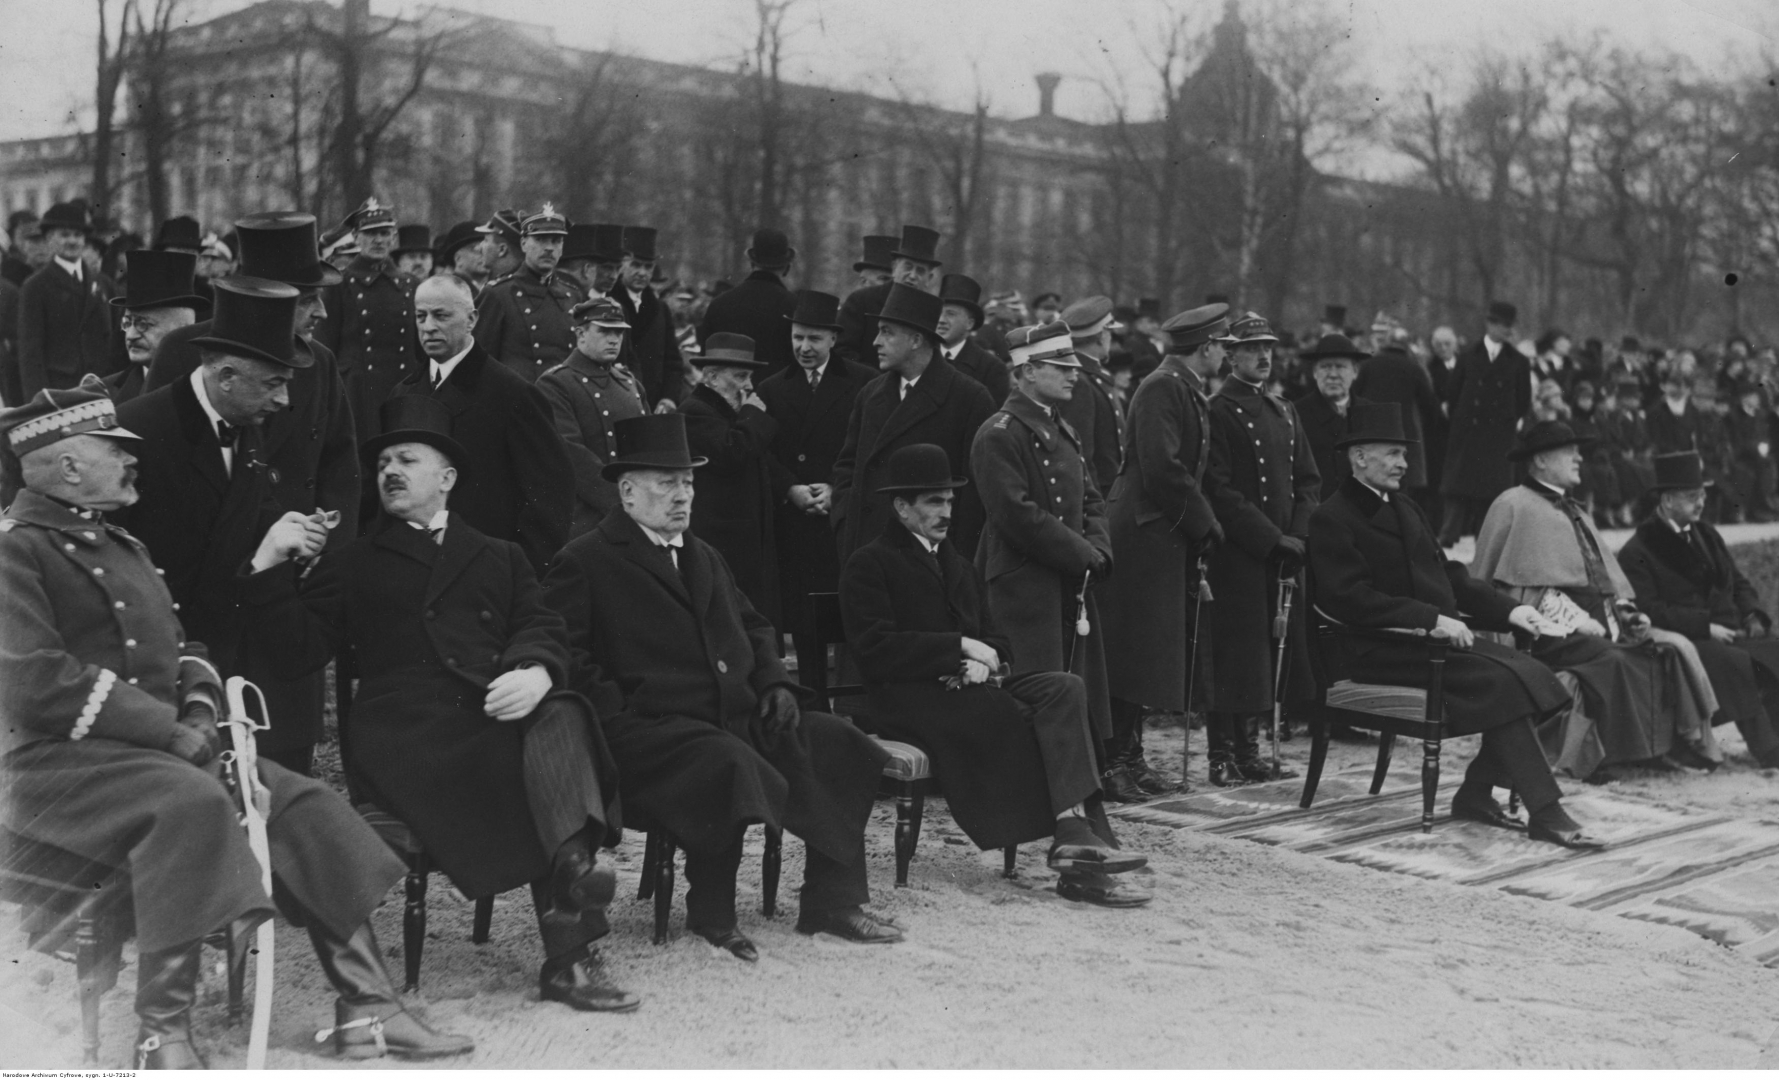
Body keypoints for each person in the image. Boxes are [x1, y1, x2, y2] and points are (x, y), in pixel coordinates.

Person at [0, 381, 474, 1067]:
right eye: (115, 450)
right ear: (69, 464)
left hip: (147, 758)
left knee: (301, 803)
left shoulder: (120, 543)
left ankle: (369, 1009)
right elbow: (34, 679)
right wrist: (166, 731)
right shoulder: (15, 551)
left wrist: (198, 706)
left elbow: (182, 645)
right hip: (51, 769)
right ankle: (162, 1034)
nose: (132, 460)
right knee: (189, 803)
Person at [241, 393, 636, 1013]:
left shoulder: (500, 554)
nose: (390, 472)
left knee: (561, 708)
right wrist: (268, 562)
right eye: (383, 464)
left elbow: (540, 623)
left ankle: (571, 883)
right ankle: (572, 925)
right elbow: (295, 652)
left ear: (447, 478)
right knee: (537, 764)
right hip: (406, 734)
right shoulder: (353, 563)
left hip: (493, 711)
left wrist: (534, 669)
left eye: (407, 460)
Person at [543, 413, 902, 960]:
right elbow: (566, 655)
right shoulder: (586, 557)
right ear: (627, 491)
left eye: (688, 482)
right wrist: (626, 708)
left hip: (732, 713)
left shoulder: (702, 554)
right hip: (649, 734)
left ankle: (832, 902)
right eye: (667, 483)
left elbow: (754, 625)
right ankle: (712, 912)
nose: (682, 495)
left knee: (835, 740)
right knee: (724, 760)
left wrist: (776, 682)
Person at [840, 443, 1150, 907]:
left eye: (950, 501)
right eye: (934, 502)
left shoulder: (956, 563)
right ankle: (1084, 845)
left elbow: (998, 641)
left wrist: (984, 660)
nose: (947, 512)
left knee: (1065, 688)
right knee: (1014, 717)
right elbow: (874, 650)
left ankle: (1074, 835)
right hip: (911, 700)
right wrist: (958, 649)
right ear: (901, 507)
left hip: (970, 688)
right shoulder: (871, 563)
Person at [1306, 401, 1605, 850]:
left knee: (1533, 675)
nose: (1404, 463)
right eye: (1393, 454)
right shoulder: (1333, 517)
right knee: (1504, 683)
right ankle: (1543, 811)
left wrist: (1508, 610)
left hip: (1426, 644)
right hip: (1374, 650)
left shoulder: (1405, 506)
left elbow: (1450, 576)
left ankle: (1477, 793)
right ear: (1359, 457)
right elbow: (1349, 599)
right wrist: (1429, 619)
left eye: (1404, 454)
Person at [114, 277, 339, 776]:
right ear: (227, 376)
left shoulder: (244, 420)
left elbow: (243, 507)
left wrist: (288, 528)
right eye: (274, 383)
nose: (284, 400)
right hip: (163, 668)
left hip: (230, 654)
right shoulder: (137, 431)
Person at [1470, 420, 1718, 780]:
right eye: (1570, 452)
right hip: (1544, 633)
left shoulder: (1575, 509)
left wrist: (1625, 613)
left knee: (1655, 652)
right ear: (1540, 460)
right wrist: (1577, 621)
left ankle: (1654, 750)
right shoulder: (1513, 505)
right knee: (1616, 660)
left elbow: (1603, 579)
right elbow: (1517, 591)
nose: (1579, 458)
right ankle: (1604, 757)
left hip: (1594, 626)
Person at [145, 211, 361, 558]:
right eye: (308, 300)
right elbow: (157, 466)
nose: (321, 312)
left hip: (297, 559)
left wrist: (329, 556)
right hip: (207, 558)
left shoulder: (320, 362)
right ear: (266, 296)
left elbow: (340, 468)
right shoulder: (184, 350)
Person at [1100, 303, 1229, 799]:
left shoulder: (1180, 386)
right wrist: (1204, 523)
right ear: (1206, 347)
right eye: (1222, 345)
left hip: (1157, 531)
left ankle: (1130, 758)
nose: (1225, 354)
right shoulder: (1163, 387)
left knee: (1146, 652)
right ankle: (1114, 763)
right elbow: (1162, 468)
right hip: (1141, 532)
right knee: (1132, 651)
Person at [971, 320, 1115, 749]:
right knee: (1035, 691)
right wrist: (1083, 553)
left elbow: (1091, 499)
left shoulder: (1062, 429)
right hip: (1024, 588)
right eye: (1061, 367)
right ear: (1028, 371)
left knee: (1072, 687)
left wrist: (1099, 549)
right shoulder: (999, 433)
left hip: (1070, 579)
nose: (1074, 375)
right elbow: (1016, 514)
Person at [1203, 312, 1319, 786]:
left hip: (1284, 555)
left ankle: (1250, 751)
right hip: (1239, 555)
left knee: (1270, 654)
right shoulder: (1217, 410)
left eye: (1268, 347)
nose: (1263, 356)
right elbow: (1219, 488)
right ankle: (1222, 755)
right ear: (1231, 356)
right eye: (1252, 348)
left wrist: (1299, 536)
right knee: (1234, 655)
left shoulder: (1284, 410)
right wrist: (1271, 540)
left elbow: (1308, 481)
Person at [394, 273, 572, 574]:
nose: (428, 327)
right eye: (420, 316)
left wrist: (520, 572)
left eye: (441, 316)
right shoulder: (403, 392)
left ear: (472, 319)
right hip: (411, 566)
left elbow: (549, 495)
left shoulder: (512, 394)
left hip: (486, 571)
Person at [1616, 451, 1779, 767]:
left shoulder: (1706, 533)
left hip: (1730, 628)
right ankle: (1769, 749)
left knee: (1774, 650)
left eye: (1703, 495)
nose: (1701, 502)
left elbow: (1737, 580)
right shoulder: (1639, 549)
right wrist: (1705, 626)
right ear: (1667, 500)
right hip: (1689, 639)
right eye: (1692, 497)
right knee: (1735, 665)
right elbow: (1651, 609)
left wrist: (1752, 613)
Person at [754, 289, 875, 684]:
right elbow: (762, 451)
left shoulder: (864, 383)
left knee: (850, 615)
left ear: (834, 339)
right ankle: (811, 697)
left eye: (814, 339)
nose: (804, 348)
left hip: (842, 520)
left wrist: (837, 488)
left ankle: (853, 700)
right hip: (796, 521)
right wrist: (790, 489)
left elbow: (870, 448)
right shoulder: (770, 388)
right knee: (804, 620)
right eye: (797, 337)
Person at [830, 282, 996, 564]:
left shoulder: (970, 399)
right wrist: (845, 523)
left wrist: (957, 566)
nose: (876, 341)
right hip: (867, 554)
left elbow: (975, 498)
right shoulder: (870, 395)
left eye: (887, 332)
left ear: (916, 340)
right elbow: (847, 467)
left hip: (934, 560)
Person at [679, 332, 791, 625]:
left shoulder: (725, 412)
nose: (749, 386)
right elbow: (733, 453)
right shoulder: (695, 411)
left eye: (749, 377)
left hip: (741, 538)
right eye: (740, 376)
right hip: (722, 540)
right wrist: (753, 414)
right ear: (712, 377)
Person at [313, 197, 423, 450]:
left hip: (403, 389)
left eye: (384, 233)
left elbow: (421, 348)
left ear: (393, 237)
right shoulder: (340, 284)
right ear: (356, 236)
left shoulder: (411, 285)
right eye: (370, 233)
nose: (378, 240)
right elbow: (324, 346)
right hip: (358, 394)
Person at [536, 295, 648, 536]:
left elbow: (649, 450)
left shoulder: (630, 384)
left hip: (637, 511)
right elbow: (571, 455)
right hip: (585, 519)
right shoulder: (556, 384)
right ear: (581, 334)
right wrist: (622, 503)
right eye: (604, 331)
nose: (614, 339)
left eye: (619, 333)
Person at [1438, 301, 1532, 546]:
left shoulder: (1519, 361)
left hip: (1498, 436)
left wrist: (1507, 423)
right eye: (1503, 325)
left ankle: (1485, 542)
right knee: (1457, 489)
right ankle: (1448, 538)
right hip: (1468, 432)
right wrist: (1462, 421)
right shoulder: (1468, 356)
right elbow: (1453, 393)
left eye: (1510, 325)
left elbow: (1523, 400)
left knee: (1491, 494)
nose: (1508, 330)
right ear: (1490, 324)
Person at [474, 204, 586, 383]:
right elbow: (477, 361)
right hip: (517, 396)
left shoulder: (572, 296)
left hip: (563, 396)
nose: (549, 248)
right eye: (540, 240)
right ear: (524, 243)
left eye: (556, 241)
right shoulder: (498, 294)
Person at [18, 201, 117, 397]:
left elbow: (116, 339)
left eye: (78, 235)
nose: (72, 241)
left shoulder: (102, 283)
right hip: (60, 391)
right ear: (49, 239)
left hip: (102, 387)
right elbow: (31, 354)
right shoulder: (35, 286)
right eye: (64, 235)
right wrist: (40, 402)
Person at [102, 250, 207, 403]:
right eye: (127, 323)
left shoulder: (208, 392)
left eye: (143, 324)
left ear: (182, 329)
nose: (131, 335)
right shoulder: (104, 393)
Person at [1352, 326, 1440, 503]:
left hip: (1371, 434)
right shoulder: (1414, 368)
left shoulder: (1368, 365)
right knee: (1399, 491)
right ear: (1406, 345)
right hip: (1402, 438)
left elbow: (1353, 396)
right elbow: (1431, 406)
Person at [698, 227, 798, 381]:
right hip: (777, 394)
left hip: (727, 391)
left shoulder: (720, 304)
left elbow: (705, 359)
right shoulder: (794, 308)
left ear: (752, 262)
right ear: (786, 267)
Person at [836, 224, 941, 364]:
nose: (912, 275)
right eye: (908, 266)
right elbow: (841, 351)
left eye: (920, 271)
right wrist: (873, 377)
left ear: (929, 278)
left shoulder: (929, 313)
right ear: (894, 268)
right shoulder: (861, 301)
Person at [610, 225, 688, 410]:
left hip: (653, 406)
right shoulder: (607, 302)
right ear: (622, 265)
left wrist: (669, 398)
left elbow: (672, 362)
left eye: (648, 266)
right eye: (636, 265)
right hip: (615, 403)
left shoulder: (660, 309)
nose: (642, 273)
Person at [1059, 295, 1128, 493]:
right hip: (1099, 495)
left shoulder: (1092, 376)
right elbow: (1081, 454)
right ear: (1101, 336)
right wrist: (1094, 503)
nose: (1110, 338)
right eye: (1109, 332)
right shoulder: (1080, 381)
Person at [1292, 333, 1373, 500]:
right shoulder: (1295, 414)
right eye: (1326, 367)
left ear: (1355, 371)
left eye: (1340, 367)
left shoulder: (1371, 413)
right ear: (1315, 372)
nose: (1333, 374)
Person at [935, 273, 1010, 404]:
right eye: (938, 313)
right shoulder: (920, 357)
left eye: (950, 314)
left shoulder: (991, 368)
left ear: (969, 323)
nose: (941, 320)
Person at [433, 219, 486, 294]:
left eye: (485, 247)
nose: (484, 253)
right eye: (476, 249)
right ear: (458, 258)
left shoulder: (490, 290)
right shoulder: (449, 291)